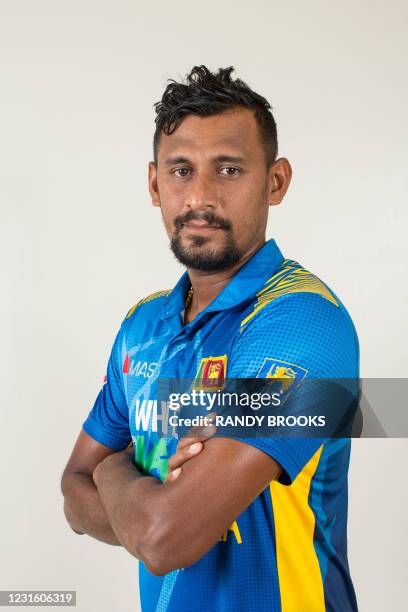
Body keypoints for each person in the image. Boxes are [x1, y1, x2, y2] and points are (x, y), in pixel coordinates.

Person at [61, 65, 359, 612]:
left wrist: (112, 468)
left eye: (228, 169)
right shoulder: (142, 325)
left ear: (276, 181)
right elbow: (71, 492)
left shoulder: (305, 325)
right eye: (180, 170)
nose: (200, 195)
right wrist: (135, 495)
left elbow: (165, 536)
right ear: (155, 184)